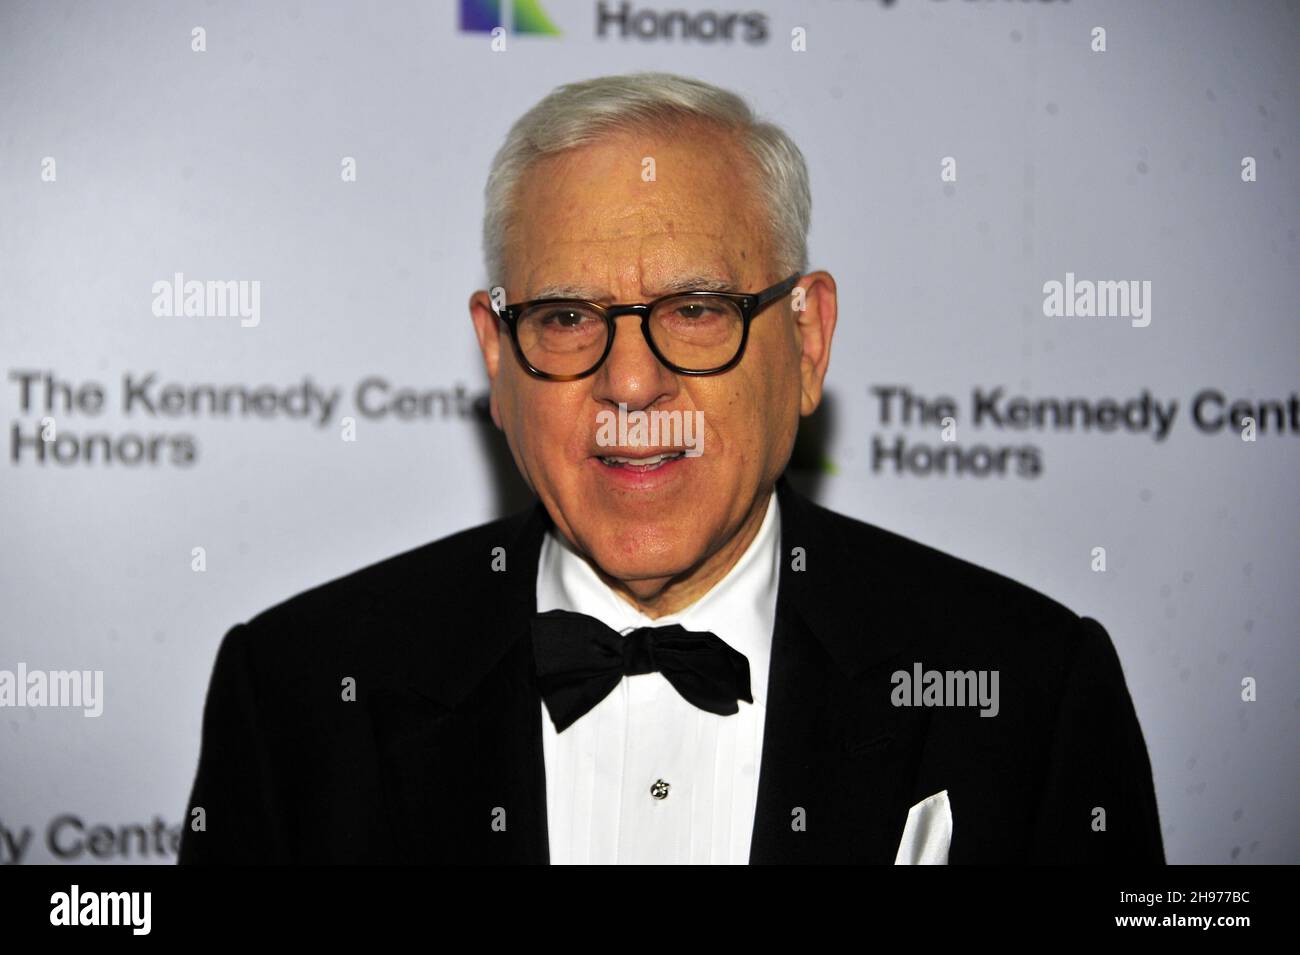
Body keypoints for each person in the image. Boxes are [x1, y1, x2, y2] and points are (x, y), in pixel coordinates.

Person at [179, 71, 1163, 864]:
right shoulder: (300, 692)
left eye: (697, 310)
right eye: (566, 318)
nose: (633, 382)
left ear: (806, 338)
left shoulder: (1028, 687)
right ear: (496, 352)